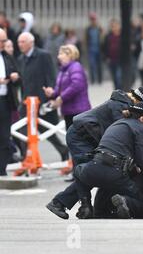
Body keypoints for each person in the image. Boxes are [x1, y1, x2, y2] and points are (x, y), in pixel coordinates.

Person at [45, 87, 143, 217]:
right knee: (89, 172)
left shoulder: (124, 104)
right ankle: (71, 205)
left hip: (90, 135)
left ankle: (77, 206)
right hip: (80, 135)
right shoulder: (120, 106)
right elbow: (123, 136)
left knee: (93, 172)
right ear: (139, 101)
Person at [16, 32, 69, 162]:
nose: (20, 45)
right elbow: (23, 82)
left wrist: (51, 95)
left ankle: (63, 150)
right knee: (22, 131)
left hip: (42, 101)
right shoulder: (20, 59)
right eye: (19, 42)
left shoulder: (43, 56)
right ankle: (26, 158)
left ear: (31, 42)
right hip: (26, 102)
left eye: (23, 42)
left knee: (46, 130)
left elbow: (51, 76)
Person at [43, 44, 91, 129]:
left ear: (69, 55)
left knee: (78, 139)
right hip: (68, 111)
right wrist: (52, 93)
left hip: (78, 111)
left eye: (61, 54)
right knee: (71, 138)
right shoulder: (62, 70)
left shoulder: (75, 67)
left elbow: (76, 85)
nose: (58, 57)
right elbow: (60, 89)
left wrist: (61, 97)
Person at [0, 29, 20, 176]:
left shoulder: (7, 56)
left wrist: (14, 76)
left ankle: (2, 170)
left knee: (5, 138)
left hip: (6, 101)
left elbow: (19, 75)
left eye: (5, 40)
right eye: (2, 41)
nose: (4, 44)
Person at [103, 19, 122, 90]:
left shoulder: (122, 36)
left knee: (118, 77)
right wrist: (106, 57)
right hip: (111, 60)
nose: (114, 28)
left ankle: (120, 90)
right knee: (114, 77)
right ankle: (117, 91)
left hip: (120, 60)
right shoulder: (108, 36)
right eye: (112, 26)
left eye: (115, 26)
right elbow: (104, 47)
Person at [85, 12, 103, 85]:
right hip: (91, 49)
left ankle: (99, 80)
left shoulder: (99, 28)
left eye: (94, 19)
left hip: (99, 49)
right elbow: (86, 39)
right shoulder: (88, 29)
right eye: (91, 19)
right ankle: (92, 80)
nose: (93, 21)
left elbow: (103, 38)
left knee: (99, 65)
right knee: (92, 65)